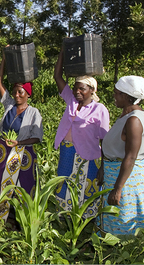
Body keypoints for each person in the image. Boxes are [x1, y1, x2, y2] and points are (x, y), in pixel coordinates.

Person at [53, 46, 109, 218]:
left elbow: (105, 139)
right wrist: (63, 52)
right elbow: (57, 77)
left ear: (92, 90)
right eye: (76, 88)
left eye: (82, 89)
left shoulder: (99, 109)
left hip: (88, 155)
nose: (77, 92)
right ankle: (63, 218)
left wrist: (104, 166)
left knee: (86, 187)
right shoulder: (71, 100)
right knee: (64, 184)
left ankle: (85, 221)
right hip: (67, 151)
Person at [99, 76, 144, 235]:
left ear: (126, 96)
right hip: (116, 174)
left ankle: (125, 253)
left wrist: (118, 188)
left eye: (116, 93)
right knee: (114, 217)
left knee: (124, 219)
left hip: (128, 181)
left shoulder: (134, 120)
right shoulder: (125, 115)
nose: (114, 96)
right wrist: (103, 167)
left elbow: (130, 157)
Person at [0, 53, 44, 225]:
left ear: (27, 94)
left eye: (20, 92)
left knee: (23, 186)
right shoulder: (9, 106)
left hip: (24, 154)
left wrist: (19, 143)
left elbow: (37, 138)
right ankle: (4, 219)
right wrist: (4, 58)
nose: (16, 95)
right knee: (5, 184)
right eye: (15, 91)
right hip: (6, 151)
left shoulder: (33, 112)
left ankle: (23, 220)